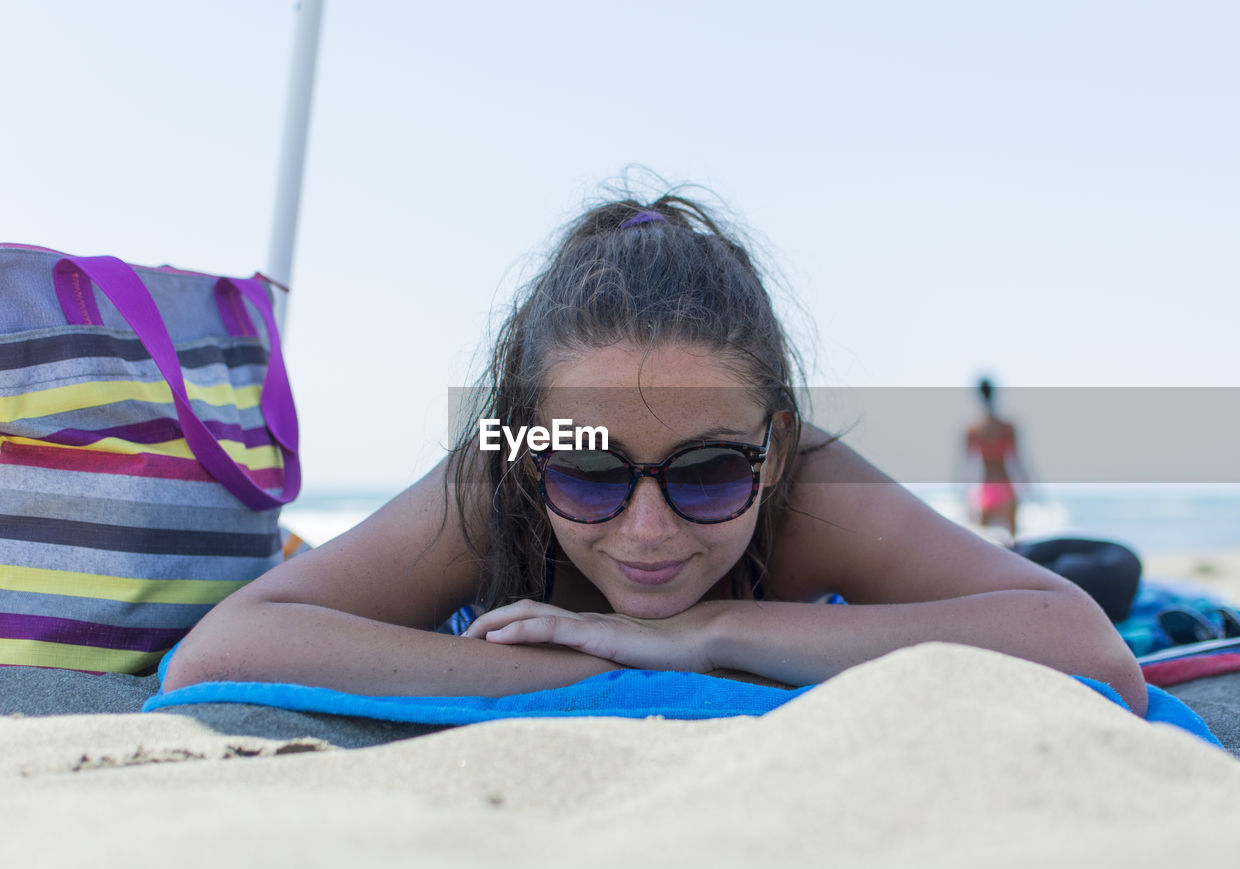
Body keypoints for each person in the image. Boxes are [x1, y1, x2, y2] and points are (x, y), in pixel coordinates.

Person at [164, 191, 1146, 714]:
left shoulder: (811, 487)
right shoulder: (489, 477)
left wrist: (704, 632)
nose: (646, 529)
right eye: (587, 469)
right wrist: (600, 664)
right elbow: (223, 649)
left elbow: (1088, 647)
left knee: (1100, 581)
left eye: (709, 471)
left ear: (774, 448)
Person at [965, 377, 1025, 540]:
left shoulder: (974, 429)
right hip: (1006, 486)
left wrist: (967, 498)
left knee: (983, 545)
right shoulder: (1007, 427)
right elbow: (1018, 461)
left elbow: (966, 467)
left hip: (986, 489)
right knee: (1014, 545)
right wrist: (1028, 486)